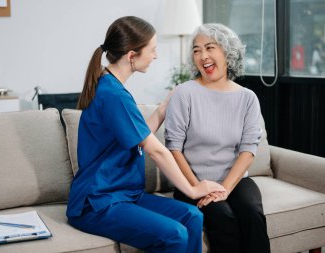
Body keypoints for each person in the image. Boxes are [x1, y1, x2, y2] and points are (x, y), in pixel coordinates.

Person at [66, 16, 226, 253]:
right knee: (174, 234)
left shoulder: (113, 87)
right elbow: (156, 150)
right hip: (97, 202)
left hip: (125, 195)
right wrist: (193, 189)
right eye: (152, 50)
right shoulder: (113, 94)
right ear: (132, 55)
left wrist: (163, 109)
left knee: (192, 216)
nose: (156, 56)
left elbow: (138, 135)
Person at [164, 23, 271, 253]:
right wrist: (197, 187)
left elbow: (248, 149)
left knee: (252, 211)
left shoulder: (247, 98)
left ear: (227, 52)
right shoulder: (184, 93)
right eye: (196, 50)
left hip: (235, 180)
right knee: (222, 217)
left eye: (210, 48)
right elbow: (174, 149)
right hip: (193, 181)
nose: (203, 56)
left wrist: (223, 189)